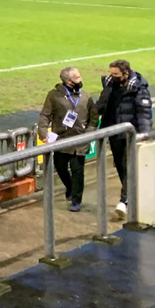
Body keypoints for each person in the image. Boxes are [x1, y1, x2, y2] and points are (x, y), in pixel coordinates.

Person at [37, 66, 100, 212]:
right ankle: (70, 187)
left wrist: (89, 133)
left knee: (78, 171)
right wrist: (43, 133)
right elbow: (45, 115)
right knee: (60, 167)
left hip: (80, 140)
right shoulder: (54, 96)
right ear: (68, 81)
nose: (81, 79)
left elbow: (94, 117)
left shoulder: (86, 96)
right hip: (61, 139)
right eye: (77, 78)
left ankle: (76, 200)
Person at [97, 59, 153, 219]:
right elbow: (102, 104)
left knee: (129, 167)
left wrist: (144, 134)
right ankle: (131, 196)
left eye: (115, 74)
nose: (112, 76)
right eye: (111, 73)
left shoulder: (138, 89)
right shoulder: (109, 84)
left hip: (130, 133)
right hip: (113, 132)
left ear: (125, 73)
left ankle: (124, 201)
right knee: (121, 167)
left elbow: (144, 113)